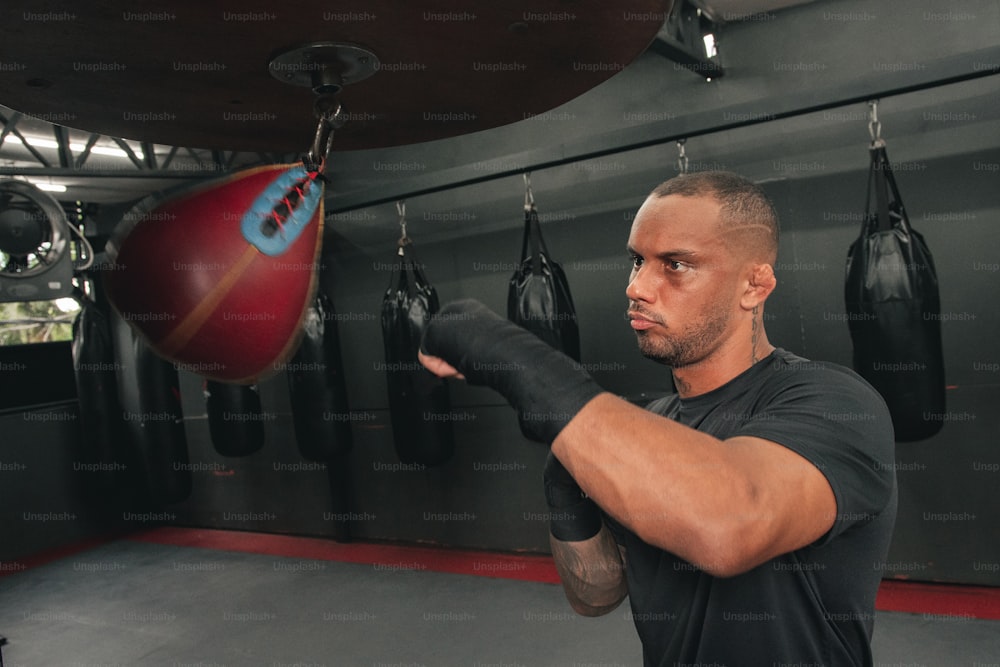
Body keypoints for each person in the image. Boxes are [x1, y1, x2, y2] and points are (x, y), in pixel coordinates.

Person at [418, 171, 898, 666]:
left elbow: (731, 524)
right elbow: (595, 596)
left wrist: (516, 359)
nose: (638, 287)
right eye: (637, 261)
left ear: (754, 285)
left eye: (675, 264)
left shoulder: (834, 401)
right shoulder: (647, 432)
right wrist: (566, 489)